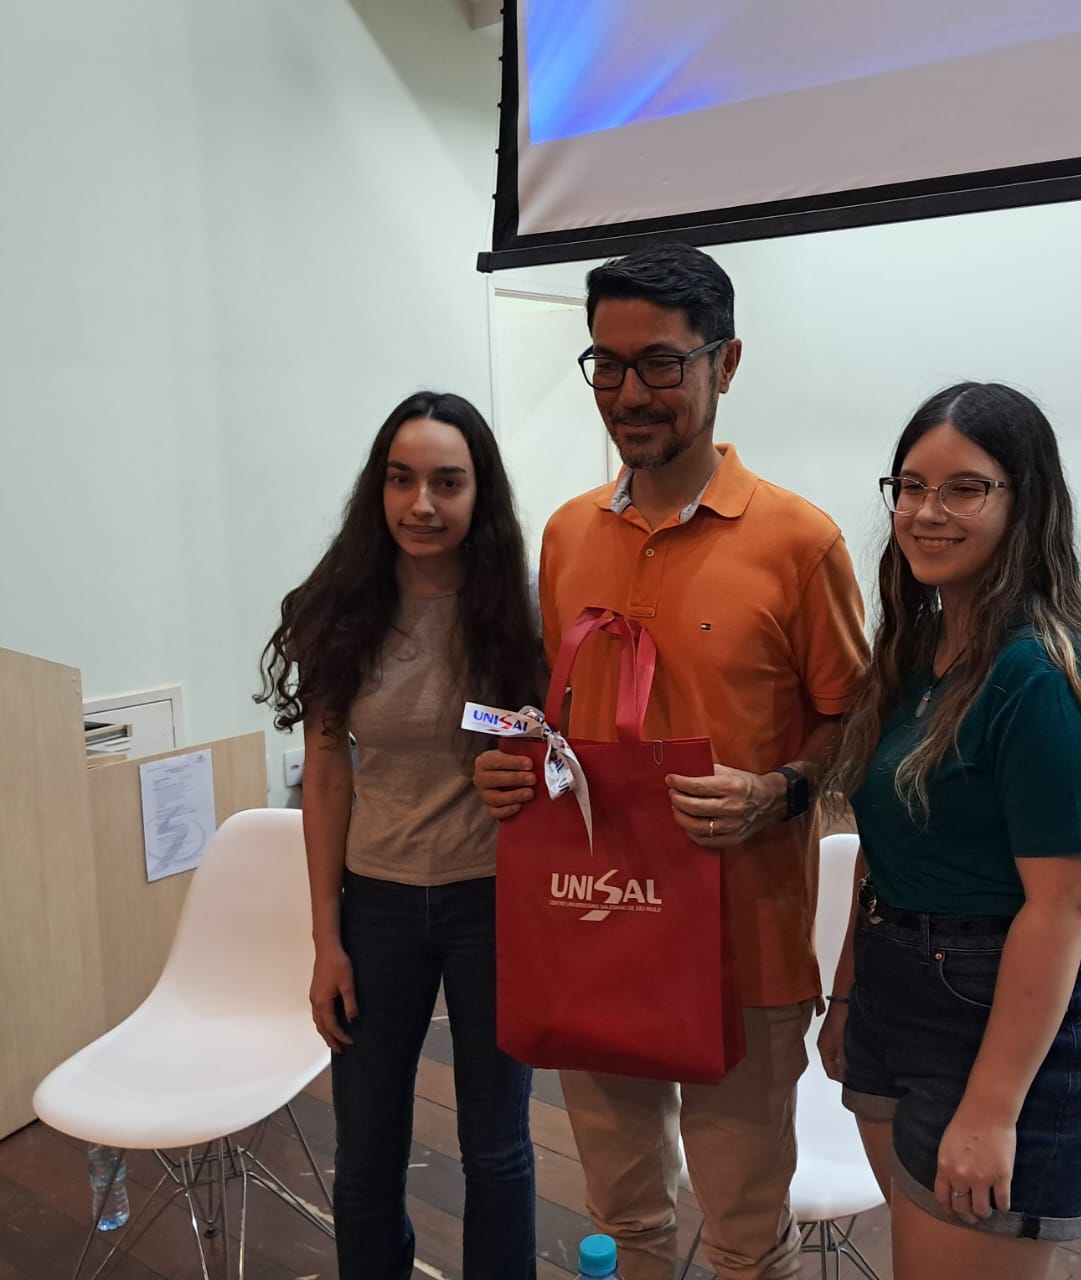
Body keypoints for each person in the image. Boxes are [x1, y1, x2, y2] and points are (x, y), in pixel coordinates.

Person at [474, 241, 870, 1280]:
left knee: (744, 1235)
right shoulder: (567, 535)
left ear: (724, 363)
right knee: (623, 1216)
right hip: (596, 926)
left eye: (658, 363)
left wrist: (777, 789)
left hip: (744, 946)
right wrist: (513, 767)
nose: (627, 393)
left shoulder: (799, 542)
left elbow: (855, 722)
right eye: (605, 364)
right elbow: (554, 720)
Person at [818, 383, 1081, 1280]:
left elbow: (1063, 908)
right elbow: (887, 847)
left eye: (965, 488)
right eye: (910, 486)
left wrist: (994, 1108)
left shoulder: (1047, 677)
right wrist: (848, 998)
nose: (927, 512)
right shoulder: (913, 650)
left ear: (1025, 502)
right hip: (897, 987)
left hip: (1014, 1015)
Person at [257, 392, 542, 1280]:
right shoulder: (340, 609)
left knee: (497, 1147)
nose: (422, 504)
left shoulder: (521, 610)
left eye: (447, 482)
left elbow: (554, 751)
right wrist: (326, 939)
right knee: (368, 1151)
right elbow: (326, 774)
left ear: (479, 493)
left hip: (493, 901)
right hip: (375, 904)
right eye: (401, 479)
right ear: (377, 490)